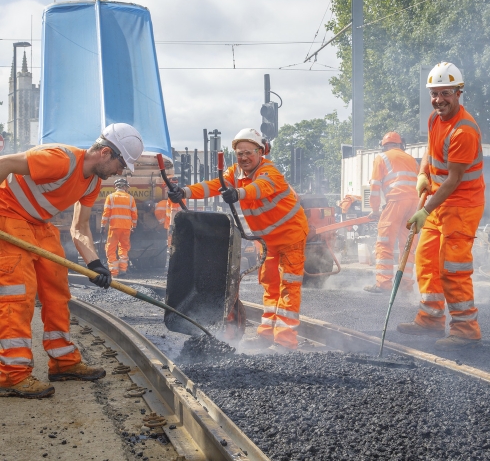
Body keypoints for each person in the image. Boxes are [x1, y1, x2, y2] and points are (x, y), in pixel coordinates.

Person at [0, 122, 144, 398]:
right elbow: (5, 162)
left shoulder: (91, 183)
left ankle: (63, 361)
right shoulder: (61, 160)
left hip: (39, 225)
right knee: (17, 295)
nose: (119, 173)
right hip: (8, 216)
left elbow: (80, 228)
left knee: (57, 292)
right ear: (105, 153)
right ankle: (11, 375)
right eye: (120, 164)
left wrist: (95, 264)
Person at [168, 128, 309, 352]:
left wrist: (238, 194)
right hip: (266, 241)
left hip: (290, 236)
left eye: (248, 152)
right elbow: (213, 185)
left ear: (260, 152)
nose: (243, 157)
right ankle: (266, 335)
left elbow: (259, 189)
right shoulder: (235, 174)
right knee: (270, 286)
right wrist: (183, 192)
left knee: (288, 287)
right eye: (239, 153)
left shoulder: (270, 172)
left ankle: (285, 341)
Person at [397, 62, 485, 350]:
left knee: (452, 268)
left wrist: (424, 210)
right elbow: (430, 151)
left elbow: (454, 180)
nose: (438, 100)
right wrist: (423, 172)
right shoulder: (435, 120)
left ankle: (465, 328)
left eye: (445, 93)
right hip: (439, 202)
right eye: (434, 94)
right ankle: (431, 318)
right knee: (425, 260)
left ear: (458, 92)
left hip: (461, 204)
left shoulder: (464, 131)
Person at [364, 132, 419, 294]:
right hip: (414, 203)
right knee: (408, 244)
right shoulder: (412, 160)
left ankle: (383, 283)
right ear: (401, 144)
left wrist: (374, 209)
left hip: (396, 201)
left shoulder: (382, 158)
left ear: (384, 146)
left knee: (384, 242)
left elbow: (375, 186)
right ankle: (405, 284)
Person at [100, 178, 138, 278]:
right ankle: (123, 269)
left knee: (110, 249)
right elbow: (134, 214)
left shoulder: (110, 197)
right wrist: (133, 226)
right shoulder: (130, 198)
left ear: (116, 187)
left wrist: (103, 225)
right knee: (124, 248)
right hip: (126, 228)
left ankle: (114, 272)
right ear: (124, 187)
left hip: (114, 227)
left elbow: (106, 213)